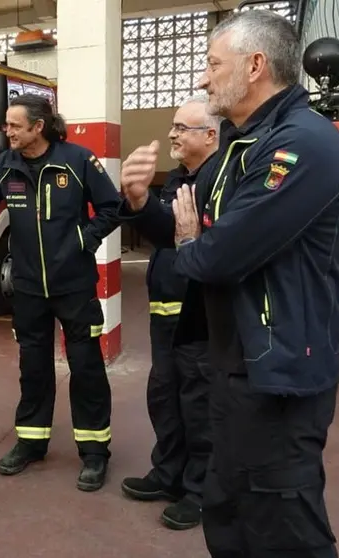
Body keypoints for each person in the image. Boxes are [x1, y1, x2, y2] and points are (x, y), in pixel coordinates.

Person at [118, 10, 339, 557]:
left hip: (278, 375)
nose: (202, 77)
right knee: (227, 511)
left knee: (282, 524)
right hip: (230, 367)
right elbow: (191, 232)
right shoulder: (238, 151)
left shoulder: (304, 145)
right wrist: (139, 205)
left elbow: (218, 253)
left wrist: (194, 241)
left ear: (254, 66)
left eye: (211, 64)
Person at [0, 93, 121, 491]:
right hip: (29, 288)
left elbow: (111, 208)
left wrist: (83, 241)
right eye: (7, 125)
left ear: (39, 127)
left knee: (85, 367)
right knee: (33, 366)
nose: (7, 131)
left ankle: (94, 452)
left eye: (15, 125)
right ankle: (32, 441)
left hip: (74, 286)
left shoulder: (78, 161)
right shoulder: (3, 167)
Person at [120, 94, 220, 531]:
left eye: (182, 128)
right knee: (165, 398)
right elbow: (165, 235)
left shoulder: (224, 180)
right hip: (165, 313)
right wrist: (139, 199)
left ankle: (200, 492)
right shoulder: (180, 177)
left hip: (200, 317)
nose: (172, 134)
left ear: (211, 135)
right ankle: (168, 474)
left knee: (200, 405)